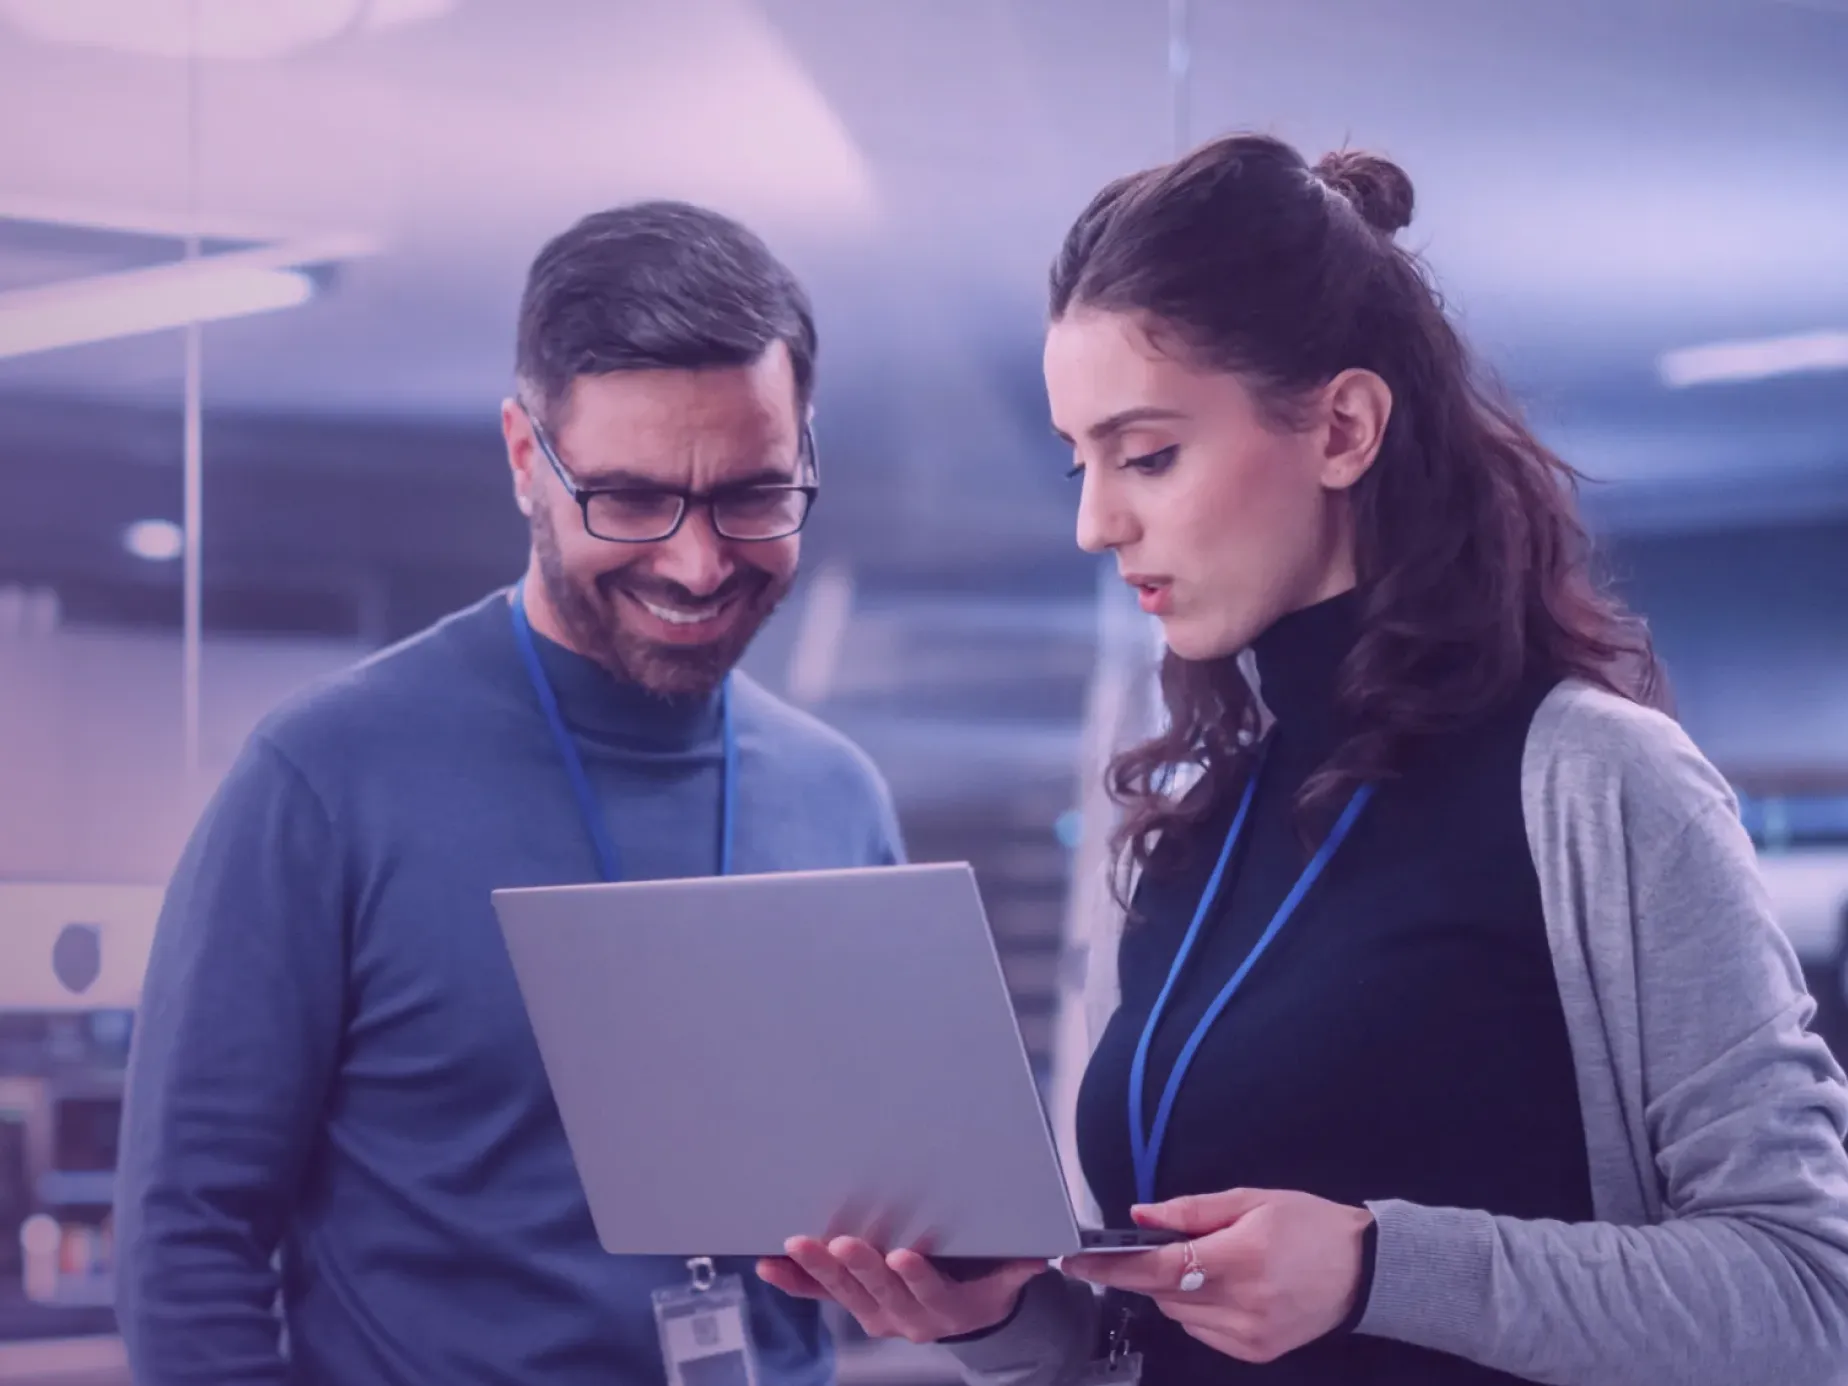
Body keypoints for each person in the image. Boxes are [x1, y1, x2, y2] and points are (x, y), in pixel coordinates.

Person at [757, 134, 1848, 1383]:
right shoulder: (1191, 830)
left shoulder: (1600, 783)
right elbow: (1151, 1345)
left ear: (1342, 428)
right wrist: (991, 1319)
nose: (1095, 521)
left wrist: (1378, 1268)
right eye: (1083, 461)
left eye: (1149, 454)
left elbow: (1809, 1297)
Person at [114, 201, 903, 1385]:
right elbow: (189, 1242)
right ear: (527, 458)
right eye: (631, 499)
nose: (697, 564)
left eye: (751, 494)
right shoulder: (324, 779)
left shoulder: (839, 798)